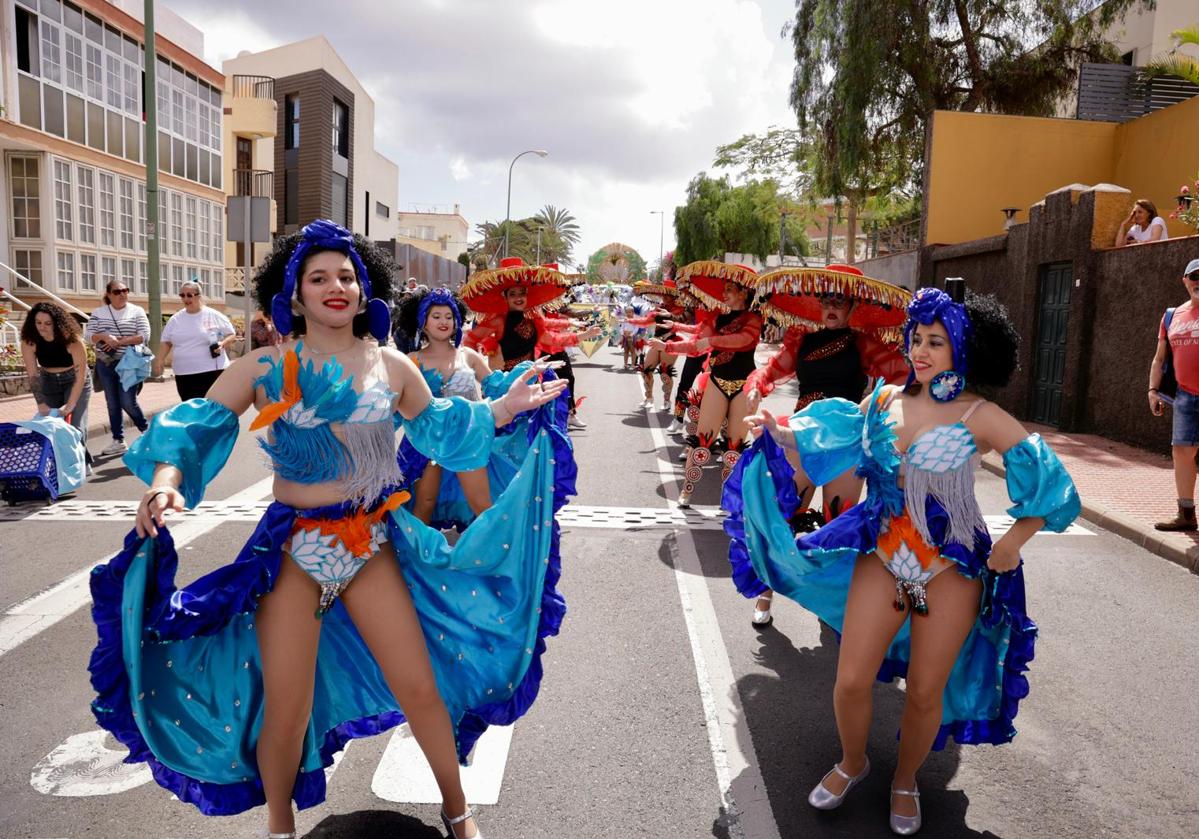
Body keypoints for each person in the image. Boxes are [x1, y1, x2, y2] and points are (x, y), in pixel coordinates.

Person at [87, 221, 572, 839]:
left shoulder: (391, 365)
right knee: (286, 709)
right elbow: (196, 427)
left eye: (346, 276)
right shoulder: (265, 365)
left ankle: (458, 811)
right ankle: (280, 826)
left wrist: (504, 409)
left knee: (419, 687)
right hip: (293, 549)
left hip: (370, 542)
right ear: (294, 293)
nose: (335, 287)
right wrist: (165, 480)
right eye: (319, 278)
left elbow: (441, 430)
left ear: (364, 288)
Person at [723, 281, 1079, 835]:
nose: (920, 350)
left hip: (950, 568)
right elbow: (832, 435)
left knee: (924, 692)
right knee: (850, 681)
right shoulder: (886, 400)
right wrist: (776, 429)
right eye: (916, 338)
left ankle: (906, 779)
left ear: (960, 349)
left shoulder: (981, 415)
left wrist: (1015, 539)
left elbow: (1052, 481)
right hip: (883, 551)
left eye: (935, 341)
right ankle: (853, 762)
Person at [741, 265, 912, 627]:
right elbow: (769, 371)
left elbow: (901, 378)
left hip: (847, 441)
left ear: (852, 307)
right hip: (801, 436)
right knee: (786, 512)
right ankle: (766, 591)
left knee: (840, 520)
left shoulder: (864, 343)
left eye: (839, 301)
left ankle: (833, 604)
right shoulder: (801, 340)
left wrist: (880, 405)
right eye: (825, 300)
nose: (831, 307)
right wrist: (757, 386)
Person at [653, 261, 760, 508]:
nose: (724, 294)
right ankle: (687, 491)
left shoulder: (754, 318)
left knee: (734, 445)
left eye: (730, 289)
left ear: (744, 292)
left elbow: (744, 340)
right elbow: (695, 345)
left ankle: (729, 496)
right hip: (717, 382)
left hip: (744, 384)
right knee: (703, 438)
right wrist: (668, 346)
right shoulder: (717, 318)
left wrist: (711, 341)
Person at [397, 286, 495, 524]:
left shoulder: (469, 356)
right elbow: (396, 402)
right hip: (425, 442)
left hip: (467, 439)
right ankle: (419, 555)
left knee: (481, 505)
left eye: (449, 317)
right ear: (424, 323)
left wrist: (527, 380)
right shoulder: (412, 360)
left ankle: (489, 554)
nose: (444, 321)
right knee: (424, 502)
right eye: (436, 316)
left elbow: (495, 386)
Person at [461, 257, 600, 372]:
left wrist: (585, 335)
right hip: (506, 385)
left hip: (531, 381)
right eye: (513, 294)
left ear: (527, 296)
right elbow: (470, 341)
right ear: (506, 298)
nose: (518, 298)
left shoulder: (532, 320)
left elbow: (552, 340)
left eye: (522, 293)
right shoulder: (499, 321)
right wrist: (481, 369)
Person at [1149, 257, 1199, 531]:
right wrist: (1153, 390)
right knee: (1182, 452)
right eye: (1195, 277)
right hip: (1185, 396)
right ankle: (1186, 514)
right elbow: (1159, 359)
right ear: (1185, 281)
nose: (1198, 283)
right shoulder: (1172, 316)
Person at [19, 301, 92, 464]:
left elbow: (80, 376)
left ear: (57, 324)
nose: (42, 327)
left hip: (74, 379)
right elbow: (32, 375)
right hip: (48, 380)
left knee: (75, 425)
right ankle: (57, 466)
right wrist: (41, 403)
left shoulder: (72, 341)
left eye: (47, 323)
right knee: (48, 425)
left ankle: (81, 464)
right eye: (38, 323)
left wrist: (70, 405)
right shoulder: (29, 341)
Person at [85, 278, 151, 456]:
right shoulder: (99, 312)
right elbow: (88, 336)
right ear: (108, 295)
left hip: (129, 364)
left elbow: (144, 336)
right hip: (106, 363)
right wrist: (105, 336)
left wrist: (119, 342)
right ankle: (118, 440)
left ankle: (148, 432)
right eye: (117, 292)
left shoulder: (136, 311)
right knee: (113, 403)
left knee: (127, 401)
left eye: (125, 290)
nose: (122, 294)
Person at [155, 281, 238, 401]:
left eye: (189, 295)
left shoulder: (213, 315)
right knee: (189, 407)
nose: (185, 298)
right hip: (183, 372)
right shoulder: (175, 319)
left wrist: (222, 344)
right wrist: (160, 359)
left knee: (210, 407)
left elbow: (231, 335)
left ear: (199, 296)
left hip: (211, 370)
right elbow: (166, 341)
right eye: (182, 295)